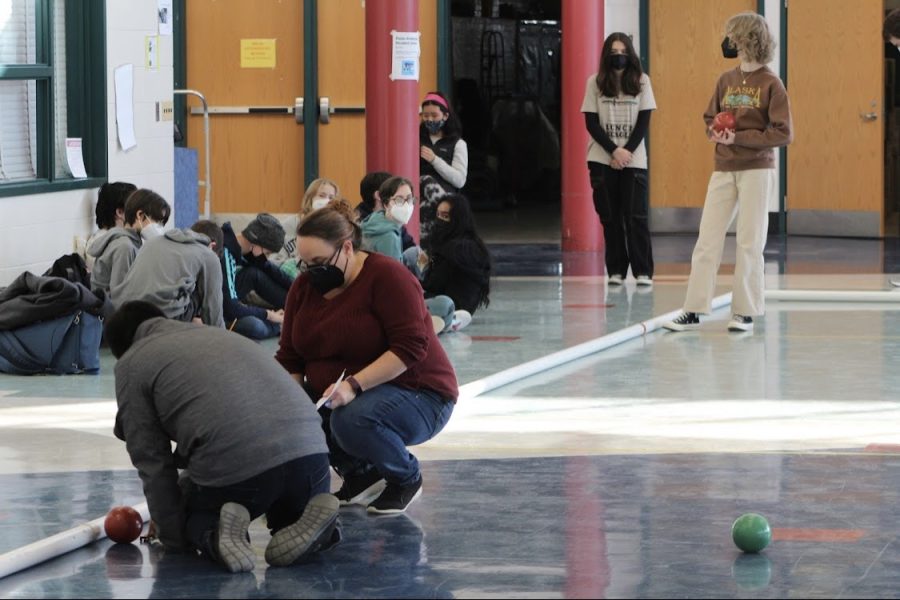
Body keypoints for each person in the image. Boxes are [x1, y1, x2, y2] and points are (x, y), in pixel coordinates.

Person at [105, 301, 341, 573]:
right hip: (311, 454)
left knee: (194, 515)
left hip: (242, 472)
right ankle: (316, 527)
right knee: (292, 508)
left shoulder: (133, 363)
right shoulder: (218, 335)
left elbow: (153, 462)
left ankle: (215, 533)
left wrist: (172, 535)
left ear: (122, 349)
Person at [275, 203, 457, 515]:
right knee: (295, 412)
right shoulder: (304, 288)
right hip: (342, 393)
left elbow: (410, 348)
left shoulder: (389, 277)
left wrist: (353, 385)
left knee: (351, 418)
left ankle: (406, 477)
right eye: (305, 264)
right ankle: (361, 475)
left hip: (420, 393)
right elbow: (290, 357)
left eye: (319, 261)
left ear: (346, 248)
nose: (311, 271)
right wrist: (293, 402)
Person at [663, 12, 792, 333]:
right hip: (723, 168)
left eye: (733, 36)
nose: (728, 42)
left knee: (750, 242)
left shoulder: (771, 83)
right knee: (707, 239)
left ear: (747, 39)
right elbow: (710, 115)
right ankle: (693, 308)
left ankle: (744, 313)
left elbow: (783, 132)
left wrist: (741, 138)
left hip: (757, 170)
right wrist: (716, 131)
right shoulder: (725, 79)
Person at [581, 32, 657, 287]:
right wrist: (614, 150)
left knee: (635, 216)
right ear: (606, 56)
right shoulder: (594, 82)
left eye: (623, 52)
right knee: (610, 216)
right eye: (613, 52)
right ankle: (616, 270)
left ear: (630, 55)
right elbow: (591, 122)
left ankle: (643, 271)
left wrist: (625, 153)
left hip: (634, 160)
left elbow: (643, 123)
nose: (619, 57)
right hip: (602, 158)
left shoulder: (642, 82)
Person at [361, 176, 456, 333]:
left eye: (409, 199)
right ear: (385, 203)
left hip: (380, 290)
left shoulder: (375, 221)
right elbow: (394, 284)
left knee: (415, 253)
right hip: (386, 303)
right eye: (399, 200)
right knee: (445, 304)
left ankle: (432, 303)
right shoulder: (388, 237)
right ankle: (436, 323)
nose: (406, 205)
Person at [111, 219, 225, 327]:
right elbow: (213, 314)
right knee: (203, 286)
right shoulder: (208, 255)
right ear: (212, 245)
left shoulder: (155, 241)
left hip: (123, 313)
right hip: (162, 317)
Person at [419, 193, 491, 331]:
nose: (439, 220)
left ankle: (445, 319)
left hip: (448, 304)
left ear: (457, 219)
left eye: (445, 216)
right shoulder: (473, 244)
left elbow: (434, 284)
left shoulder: (452, 249)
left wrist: (418, 274)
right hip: (467, 307)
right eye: (438, 215)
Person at [88, 188, 171, 298]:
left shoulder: (133, 240)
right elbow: (120, 296)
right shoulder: (124, 246)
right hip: (108, 310)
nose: (159, 227)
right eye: (157, 221)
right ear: (140, 215)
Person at [218, 213, 292, 333]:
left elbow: (269, 268)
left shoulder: (242, 246)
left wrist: (297, 289)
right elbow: (231, 309)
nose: (267, 258)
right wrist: (270, 315)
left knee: (254, 273)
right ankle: (282, 326)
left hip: (226, 301)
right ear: (257, 244)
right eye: (267, 253)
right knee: (255, 326)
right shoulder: (225, 254)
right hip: (217, 308)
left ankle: (298, 309)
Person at [419, 91, 468, 243]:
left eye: (434, 115)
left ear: (445, 116)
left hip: (446, 207)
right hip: (420, 206)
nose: (430, 119)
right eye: (426, 116)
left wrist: (435, 160)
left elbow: (459, 180)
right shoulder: (415, 139)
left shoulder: (458, 144)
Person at [270, 178, 341, 271]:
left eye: (331, 198)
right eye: (322, 195)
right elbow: (275, 259)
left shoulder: (338, 226)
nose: (327, 201)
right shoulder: (292, 223)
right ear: (310, 198)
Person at [84, 181, 137, 271]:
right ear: (120, 212)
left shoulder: (124, 239)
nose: (140, 215)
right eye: (136, 208)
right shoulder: (102, 244)